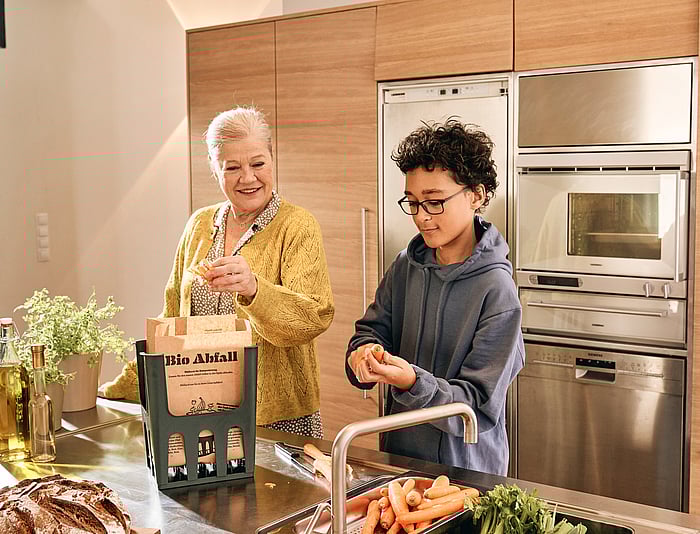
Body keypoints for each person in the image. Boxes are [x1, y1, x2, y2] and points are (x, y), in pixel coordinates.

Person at [102, 106, 334, 438]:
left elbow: (313, 317)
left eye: (258, 163)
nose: (248, 177)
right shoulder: (199, 224)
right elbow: (171, 317)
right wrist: (120, 387)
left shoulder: (297, 226)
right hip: (198, 407)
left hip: (275, 417)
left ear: (272, 159)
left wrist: (255, 290)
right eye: (233, 167)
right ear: (215, 169)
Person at [345, 118, 524, 475]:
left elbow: (477, 407)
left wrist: (412, 382)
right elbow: (370, 332)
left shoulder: (497, 290)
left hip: (467, 475)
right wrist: (362, 357)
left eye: (435, 202)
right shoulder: (405, 266)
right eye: (412, 203)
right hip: (399, 463)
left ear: (476, 195)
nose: (421, 217)